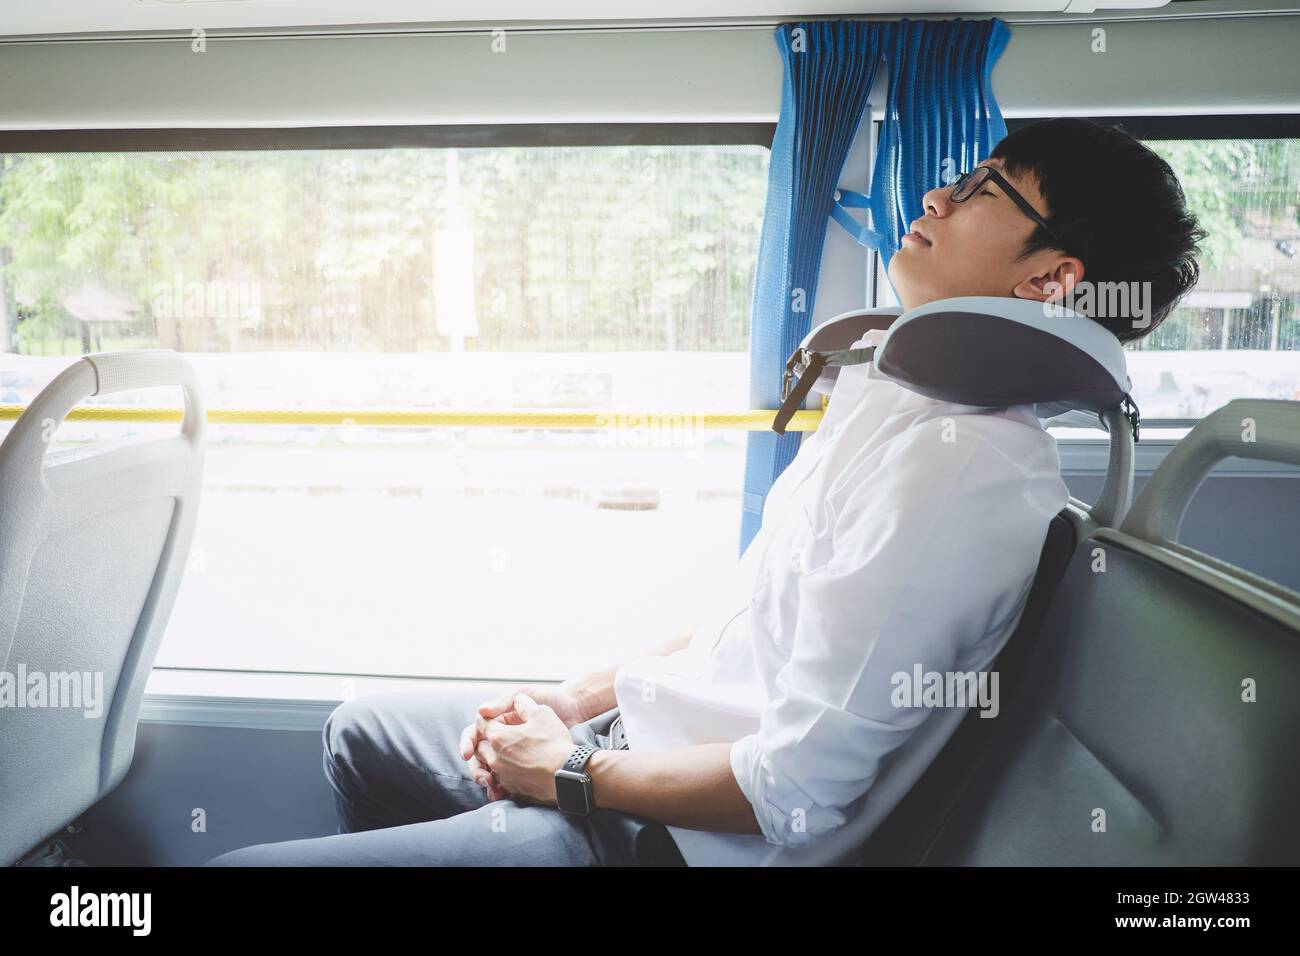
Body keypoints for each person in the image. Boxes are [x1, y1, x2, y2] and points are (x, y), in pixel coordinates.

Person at [205, 117, 1205, 867]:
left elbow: (792, 790)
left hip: (673, 838)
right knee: (359, 729)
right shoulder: (898, 408)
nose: (936, 197)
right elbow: (744, 624)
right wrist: (566, 701)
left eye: (985, 189)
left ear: (1049, 279)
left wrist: (560, 771)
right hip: (632, 751)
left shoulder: (961, 473)